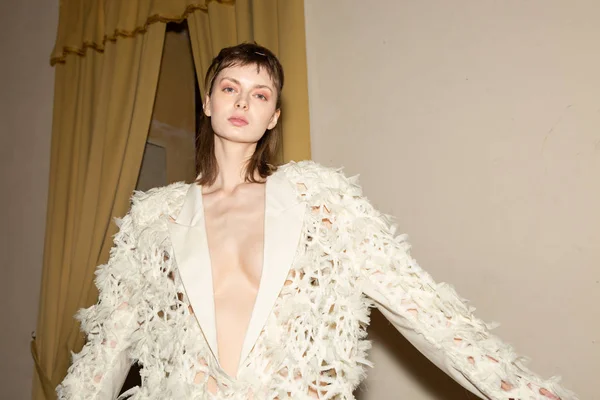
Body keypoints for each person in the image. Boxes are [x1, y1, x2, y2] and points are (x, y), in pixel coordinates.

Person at [56, 43, 577, 400]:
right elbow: (107, 349)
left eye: (260, 94)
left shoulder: (321, 200)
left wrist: (523, 389)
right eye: (230, 87)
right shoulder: (153, 217)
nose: (243, 101)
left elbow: (423, 308)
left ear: (274, 115)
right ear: (209, 102)